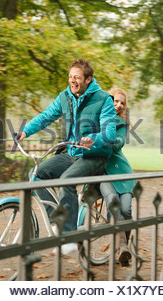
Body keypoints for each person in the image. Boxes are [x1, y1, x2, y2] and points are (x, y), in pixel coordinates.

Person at [18, 58, 117, 254]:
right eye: (71, 77)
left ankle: (69, 237)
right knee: (35, 174)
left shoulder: (103, 99)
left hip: (93, 156)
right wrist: (25, 131)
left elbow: (110, 132)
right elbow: (46, 116)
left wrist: (93, 139)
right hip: (71, 152)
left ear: (88, 79)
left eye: (77, 77)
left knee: (66, 180)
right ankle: (58, 221)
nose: (72, 81)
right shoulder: (65, 96)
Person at [99, 87, 136, 265]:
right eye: (115, 101)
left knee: (126, 209)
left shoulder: (122, 124)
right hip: (103, 172)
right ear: (109, 100)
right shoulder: (99, 117)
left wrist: (102, 140)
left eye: (122, 103)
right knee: (113, 202)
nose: (119, 105)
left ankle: (124, 250)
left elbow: (118, 143)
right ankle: (122, 248)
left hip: (122, 172)